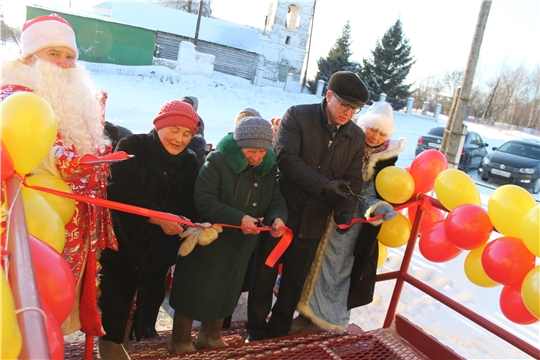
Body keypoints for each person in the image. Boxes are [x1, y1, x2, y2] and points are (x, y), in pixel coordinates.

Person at [1, 13, 118, 343]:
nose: (65, 64)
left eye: (70, 56)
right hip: (31, 220)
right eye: (54, 54)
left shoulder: (73, 99)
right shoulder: (14, 94)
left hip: (72, 217)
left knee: (59, 300)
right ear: (30, 57)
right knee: (27, 302)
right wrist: (78, 161)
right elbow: (40, 148)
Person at [245, 71, 370, 341]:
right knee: (264, 276)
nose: (348, 112)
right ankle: (255, 329)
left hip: (314, 221)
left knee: (293, 283)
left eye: (355, 108)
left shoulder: (356, 137)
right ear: (328, 96)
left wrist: (344, 210)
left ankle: (278, 332)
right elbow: (286, 159)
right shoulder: (297, 116)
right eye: (344, 105)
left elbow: (352, 180)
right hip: (280, 214)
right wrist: (325, 186)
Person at [168, 117, 288, 354]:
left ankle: (210, 336)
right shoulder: (218, 161)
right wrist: (238, 218)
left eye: (262, 151)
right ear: (238, 145)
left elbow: (275, 199)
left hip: (241, 246)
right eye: (250, 151)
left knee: (227, 290)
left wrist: (277, 217)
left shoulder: (267, 167)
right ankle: (180, 341)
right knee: (193, 290)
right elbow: (204, 200)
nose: (257, 157)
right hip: (210, 241)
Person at [98, 100, 201, 359]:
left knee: (146, 295)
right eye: (174, 130)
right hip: (124, 235)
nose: (180, 139)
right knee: (116, 292)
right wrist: (156, 218)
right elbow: (118, 191)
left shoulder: (189, 162)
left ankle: (129, 337)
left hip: (158, 245)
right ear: (159, 126)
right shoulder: (133, 146)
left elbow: (188, 202)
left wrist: (187, 222)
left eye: (187, 133)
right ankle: (110, 343)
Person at [292, 102, 406, 333]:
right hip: (325, 210)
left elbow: (373, 192)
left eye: (381, 132)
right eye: (372, 129)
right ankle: (305, 313)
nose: (374, 136)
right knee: (313, 262)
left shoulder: (386, 159)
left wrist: (377, 208)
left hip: (352, 223)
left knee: (337, 269)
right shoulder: (347, 138)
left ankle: (327, 319)